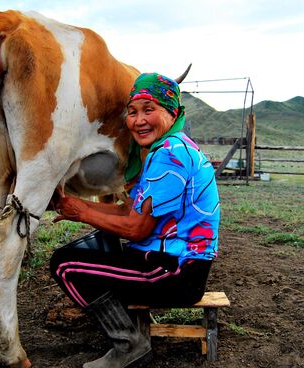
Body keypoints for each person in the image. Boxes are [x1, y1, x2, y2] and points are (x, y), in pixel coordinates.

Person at [50, 72, 220, 368]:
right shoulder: (165, 149)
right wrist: (75, 206)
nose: (139, 120)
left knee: (64, 264)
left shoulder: (172, 157)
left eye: (149, 110)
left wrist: (83, 213)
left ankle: (129, 345)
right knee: (101, 244)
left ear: (173, 113)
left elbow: (136, 229)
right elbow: (130, 210)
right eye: (132, 112)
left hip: (176, 273)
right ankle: (128, 328)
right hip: (168, 263)